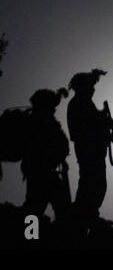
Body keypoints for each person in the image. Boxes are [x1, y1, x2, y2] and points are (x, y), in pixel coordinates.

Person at [67, 69, 111, 231]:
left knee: (95, 184)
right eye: (91, 86)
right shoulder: (79, 103)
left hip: (94, 151)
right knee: (91, 184)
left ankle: (88, 217)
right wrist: (102, 120)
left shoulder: (83, 103)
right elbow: (86, 126)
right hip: (89, 151)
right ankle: (81, 220)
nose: (93, 89)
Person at [22, 88, 71, 221]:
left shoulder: (43, 119)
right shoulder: (41, 119)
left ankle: (32, 237)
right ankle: (30, 237)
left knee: (36, 209)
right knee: (35, 209)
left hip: (43, 170)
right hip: (40, 171)